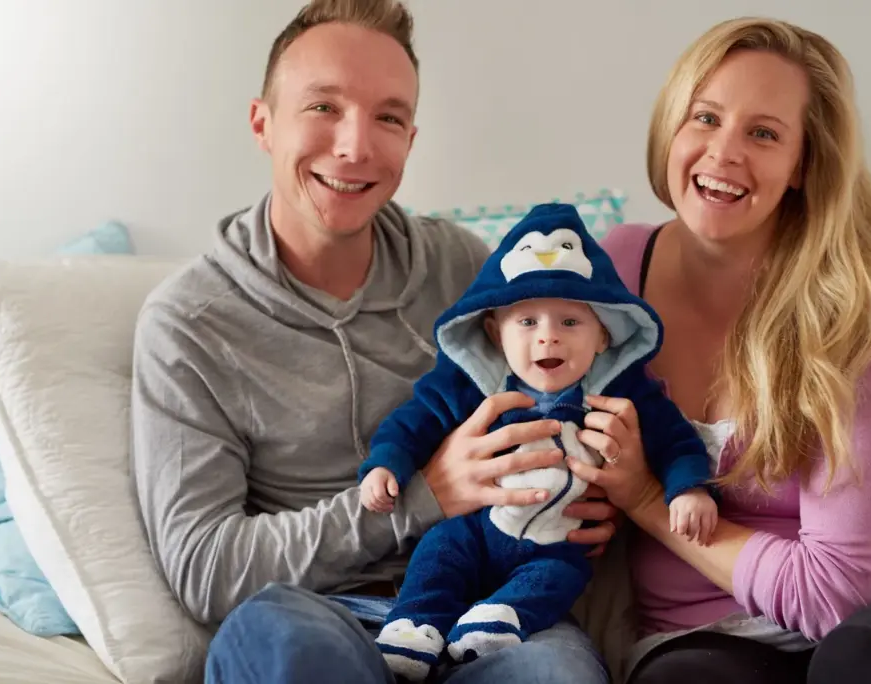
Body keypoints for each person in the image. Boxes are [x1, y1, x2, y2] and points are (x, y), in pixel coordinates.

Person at [128, 1, 615, 683]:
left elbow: (567, 394)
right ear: (263, 123)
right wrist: (422, 497)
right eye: (323, 107)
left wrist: (592, 497)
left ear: (410, 139)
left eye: (387, 117)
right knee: (291, 651)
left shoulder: (461, 268)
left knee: (557, 677)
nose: (355, 146)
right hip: (313, 611)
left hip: (479, 603)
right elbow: (206, 569)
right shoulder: (189, 324)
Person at [561, 16, 871, 684]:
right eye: (706, 118)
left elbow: (834, 598)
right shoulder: (614, 272)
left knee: (860, 664)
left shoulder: (858, 318)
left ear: (803, 165)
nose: (723, 153)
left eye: (764, 133)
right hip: (699, 628)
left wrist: (646, 497)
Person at [356, 203, 714, 680]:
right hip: (477, 529)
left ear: (603, 335)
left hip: (556, 542)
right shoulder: (473, 385)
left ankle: (500, 620)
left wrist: (688, 489)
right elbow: (413, 421)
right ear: (494, 332)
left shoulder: (622, 393)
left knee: (561, 577)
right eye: (527, 322)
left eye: (570, 322)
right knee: (438, 551)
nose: (548, 339)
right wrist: (386, 464)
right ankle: (413, 627)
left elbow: (675, 441)